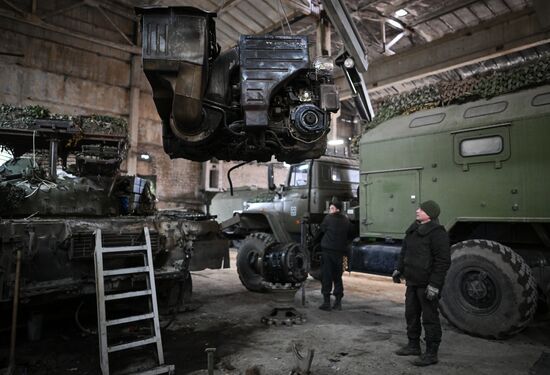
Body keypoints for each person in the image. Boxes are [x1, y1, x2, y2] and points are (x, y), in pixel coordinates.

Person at [392, 200, 451, 366]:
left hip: (427, 284)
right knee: (411, 314)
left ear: (430, 214)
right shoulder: (413, 229)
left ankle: (431, 353)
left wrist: (434, 285)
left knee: (430, 318)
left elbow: (443, 261)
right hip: (412, 281)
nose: (417, 211)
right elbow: (405, 251)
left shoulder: (438, 233)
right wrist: (399, 269)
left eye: (421, 209)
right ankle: (413, 345)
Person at [317, 201, 351, 311]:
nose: (330, 210)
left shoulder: (328, 218)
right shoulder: (346, 220)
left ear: (337, 209)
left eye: (331, 208)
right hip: (340, 252)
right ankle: (338, 302)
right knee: (337, 276)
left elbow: (321, 230)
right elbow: (350, 233)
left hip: (328, 251)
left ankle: (326, 303)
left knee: (326, 276)